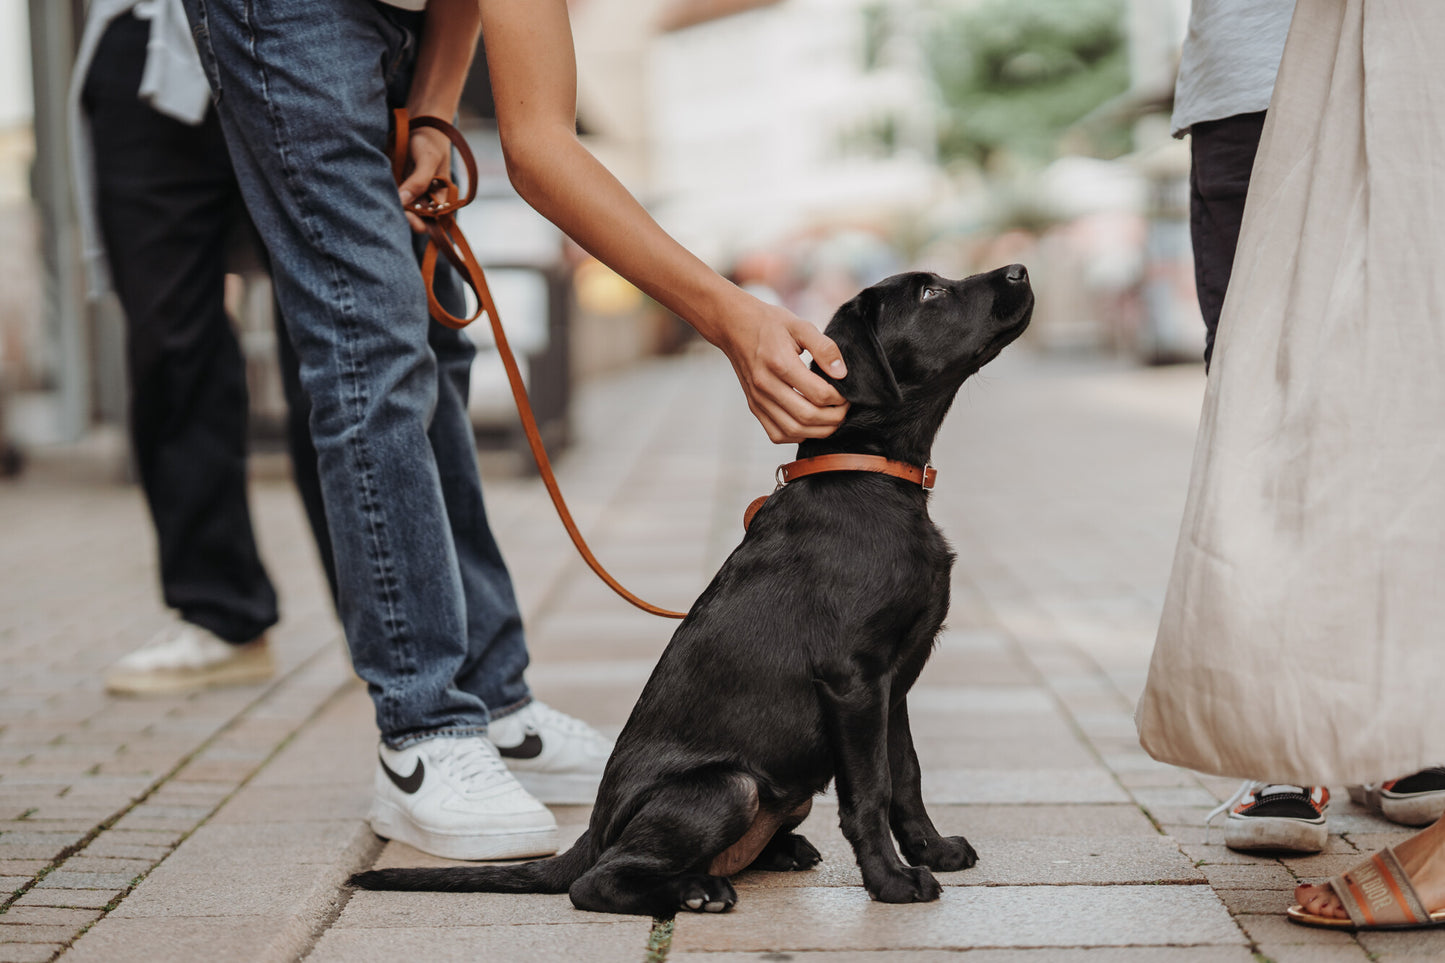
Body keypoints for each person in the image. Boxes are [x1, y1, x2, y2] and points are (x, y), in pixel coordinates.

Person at [177, 0, 851, 860]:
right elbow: (540, 155)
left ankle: (492, 703)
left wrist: (430, 109)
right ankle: (421, 731)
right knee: (368, 337)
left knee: (433, 332)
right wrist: (728, 316)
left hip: (391, 24)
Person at [1140, 0, 1445, 929]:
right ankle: (1292, 730)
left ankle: (1404, 717)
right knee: (1272, 420)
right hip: (1261, 71)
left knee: (1415, 407)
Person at [70, 0, 337, 696]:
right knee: (166, 342)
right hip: (141, 42)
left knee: (337, 339)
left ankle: (391, 623)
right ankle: (223, 614)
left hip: (304, 28)